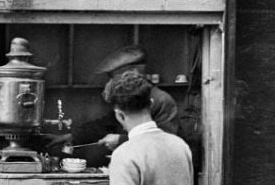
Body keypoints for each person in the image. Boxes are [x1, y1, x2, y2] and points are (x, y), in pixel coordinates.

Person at [46, 45, 179, 166]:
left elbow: (165, 143)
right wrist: (73, 136)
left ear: (133, 72)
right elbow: (105, 123)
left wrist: (121, 140)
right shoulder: (127, 97)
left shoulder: (162, 100)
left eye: (114, 77)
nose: (110, 82)